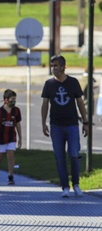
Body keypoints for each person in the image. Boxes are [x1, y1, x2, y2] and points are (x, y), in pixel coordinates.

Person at [41, 55, 89, 198]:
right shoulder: (49, 84)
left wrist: (85, 122)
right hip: (56, 126)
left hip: (72, 125)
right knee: (60, 157)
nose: (53, 68)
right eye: (52, 65)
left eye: (56, 65)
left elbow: (80, 103)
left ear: (63, 67)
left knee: (74, 155)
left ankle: (76, 184)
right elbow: (45, 105)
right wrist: (43, 123)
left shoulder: (73, 82)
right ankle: (65, 187)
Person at [0, 89, 22, 185]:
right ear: (6, 100)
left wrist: (20, 138)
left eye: (15, 99)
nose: (14, 101)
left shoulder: (16, 111)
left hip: (11, 138)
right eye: (12, 99)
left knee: (11, 157)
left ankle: (10, 176)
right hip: (0, 139)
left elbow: (18, 125)